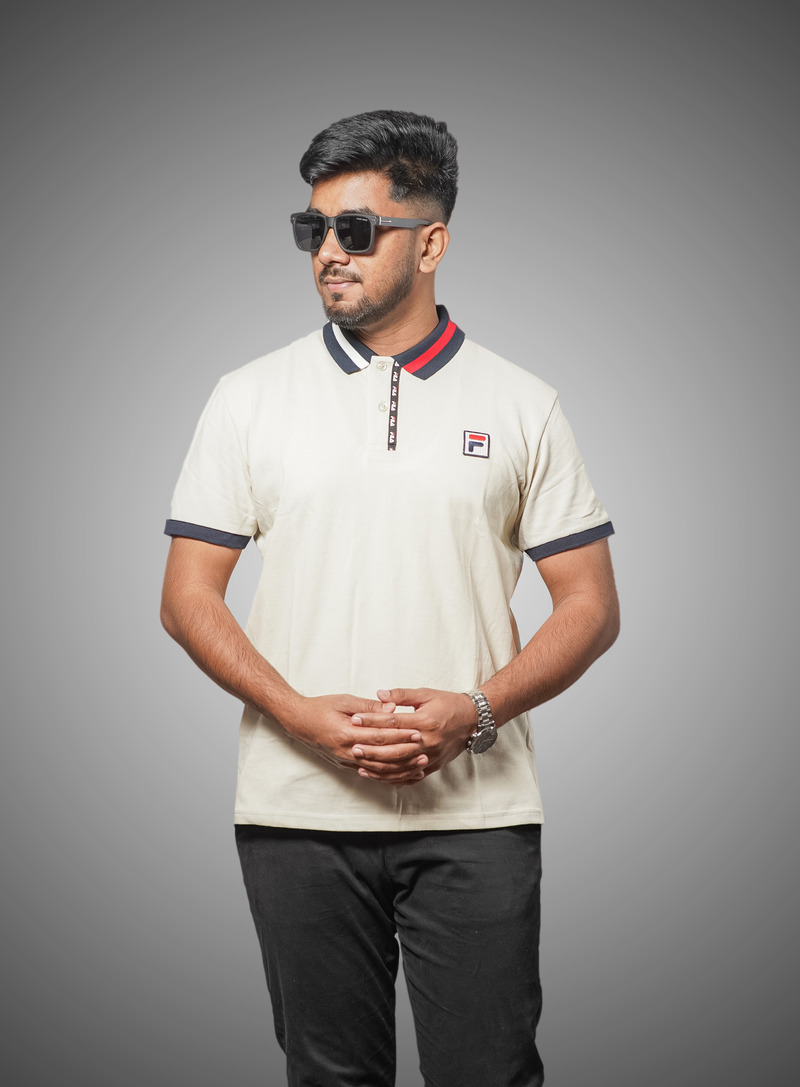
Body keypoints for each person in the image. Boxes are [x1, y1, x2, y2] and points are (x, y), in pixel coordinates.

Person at [161, 109, 619, 1087]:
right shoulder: (246, 398)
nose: (328, 251)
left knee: (490, 1073)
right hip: (295, 811)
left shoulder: (522, 404)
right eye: (312, 229)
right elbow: (187, 596)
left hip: (477, 813)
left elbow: (589, 604)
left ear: (430, 243)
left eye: (355, 230)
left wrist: (476, 710)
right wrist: (301, 717)